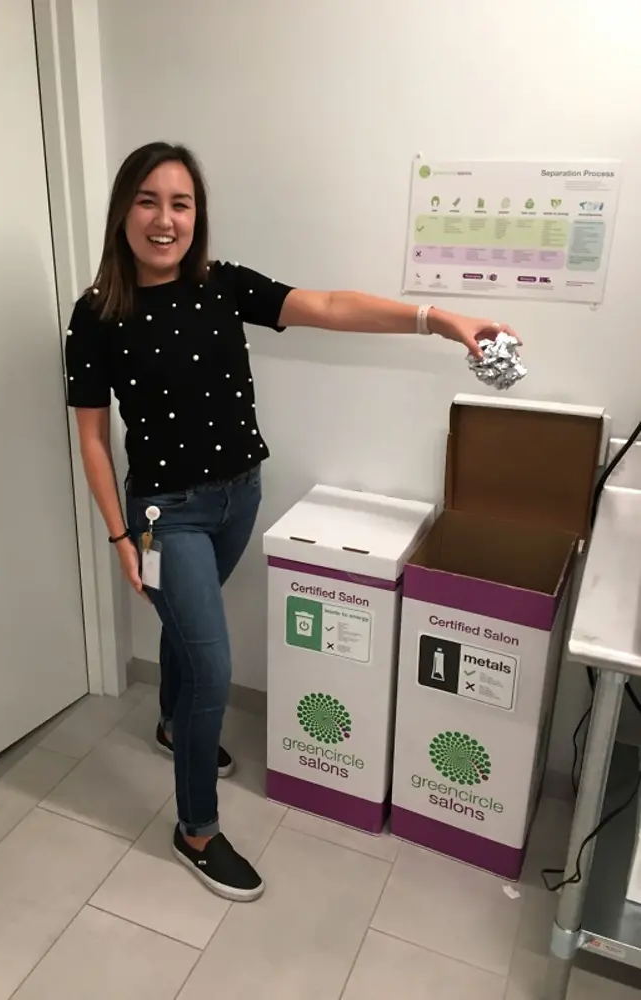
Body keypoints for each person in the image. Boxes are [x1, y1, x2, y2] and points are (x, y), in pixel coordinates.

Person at [65, 141, 520, 903]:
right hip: (161, 515)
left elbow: (331, 306)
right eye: (148, 200)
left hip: (240, 496)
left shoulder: (221, 286)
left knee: (188, 631)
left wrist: (442, 319)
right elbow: (90, 435)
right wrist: (119, 536)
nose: (165, 218)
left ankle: (177, 727)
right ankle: (196, 831)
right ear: (123, 211)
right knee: (212, 661)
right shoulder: (97, 313)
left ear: (197, 216)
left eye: (181, 203)